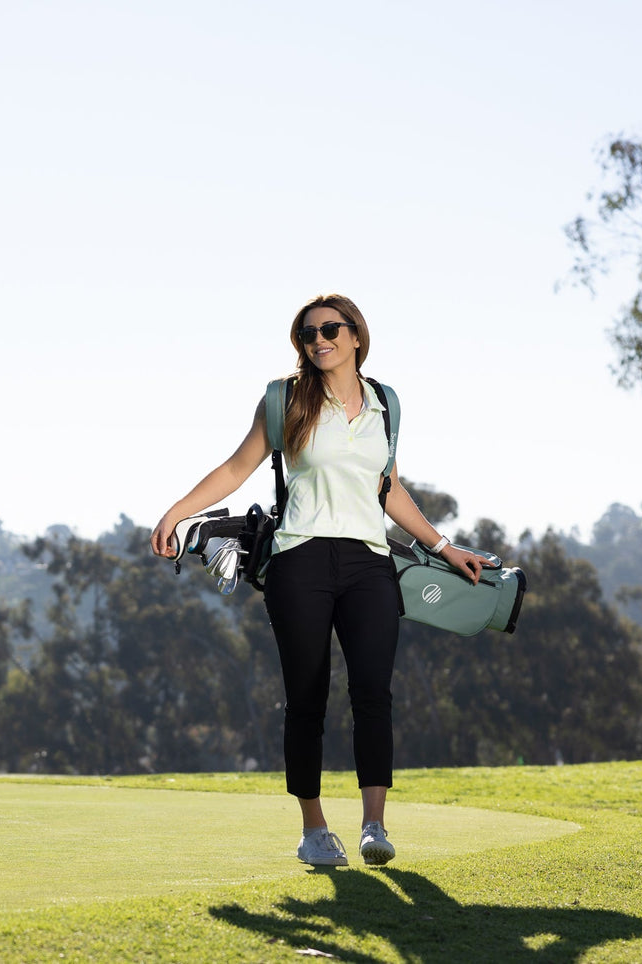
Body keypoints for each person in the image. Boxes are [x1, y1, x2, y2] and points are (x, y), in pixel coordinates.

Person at [149, 292, 486, 868]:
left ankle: (374, 826)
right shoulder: (285, 399)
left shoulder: (386, 402)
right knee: (306, 700)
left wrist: (443, 546)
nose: (320, 339)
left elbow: (388, 488)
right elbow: (236, 467)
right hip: (299, 561)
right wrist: (177, 511)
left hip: (369, 565)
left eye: (331, 329)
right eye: (309, 334)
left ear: (356, 335)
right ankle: (313, 830)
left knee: (373, 694)